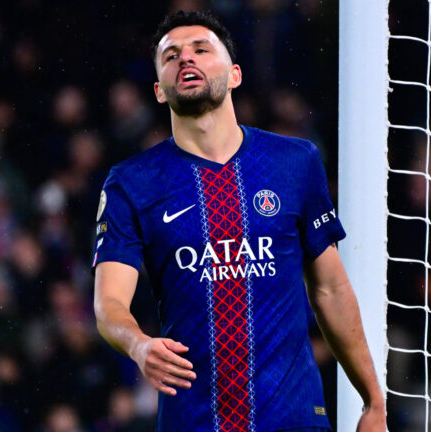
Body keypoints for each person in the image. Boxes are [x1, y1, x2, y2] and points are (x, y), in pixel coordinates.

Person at [92, 10, 385, 432]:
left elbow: (330, 287)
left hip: (293, 419)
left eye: (201, 49)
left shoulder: (295, 162)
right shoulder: (132, 183)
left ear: (234, 74)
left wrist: (373, 401)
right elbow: (109, 304)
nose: (186, 59)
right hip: (193, 421)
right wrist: (139, 345)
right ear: (159, 90)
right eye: (171, 55)